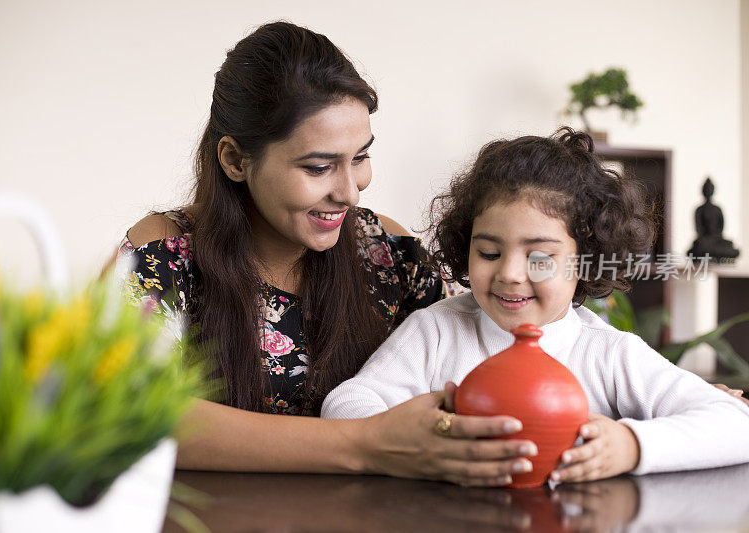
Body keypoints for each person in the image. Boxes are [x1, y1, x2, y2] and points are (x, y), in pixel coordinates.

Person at [117, 21, 535, 486]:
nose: (350, 193)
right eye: (318, 167)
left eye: (360, 158)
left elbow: (491, 346)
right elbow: (130, 416)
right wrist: (367, 444)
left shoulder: (390, 256)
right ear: (235, 160)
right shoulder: (162, 255)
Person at [321, 128, 749, 482]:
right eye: (489, 253)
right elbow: (346, 405)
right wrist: (425, 432)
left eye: (540, 258)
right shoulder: (434, 331)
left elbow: (737, 424)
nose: (509, 273)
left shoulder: (609, 353)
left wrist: (631, 446)